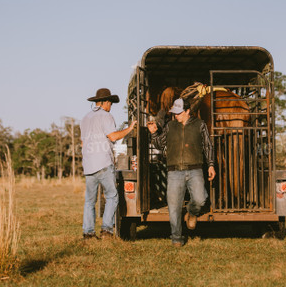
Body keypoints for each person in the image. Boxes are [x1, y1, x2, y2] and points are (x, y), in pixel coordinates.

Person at [147, 97, 216, 246]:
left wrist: (210, 165)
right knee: (174, 206)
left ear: (187, 111)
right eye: (174, 113)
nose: (175, 115)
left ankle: (191, 212)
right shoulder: (170, 126)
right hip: (174, 172)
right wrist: (154, 134)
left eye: (179, 113)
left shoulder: (200, 125)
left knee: (200, 199)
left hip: (195, 169)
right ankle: (176, 238)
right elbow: (159, 145)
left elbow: (208, 146)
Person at [80, 88, 137, 240]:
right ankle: (106, 230)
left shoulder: (85, 118)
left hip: (89, 164)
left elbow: (82, 142)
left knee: (90, 200)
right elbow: (112, 137)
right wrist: (129, 129)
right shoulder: (106, 116)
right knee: (112, 196)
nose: (110, 106)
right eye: (110, 103)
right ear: (105, 102)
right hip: (103, 163)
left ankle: (88, 232)